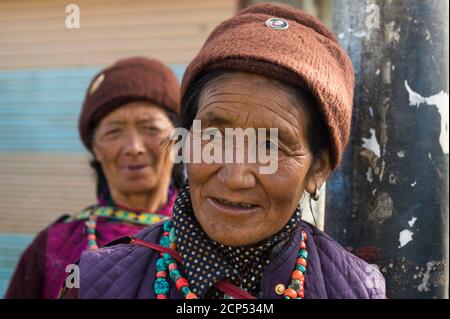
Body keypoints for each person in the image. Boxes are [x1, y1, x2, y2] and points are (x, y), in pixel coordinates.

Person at [70, 4, 386, 299]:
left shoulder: (357, 288)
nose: (235, 177)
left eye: (269, 145)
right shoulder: (95, 281)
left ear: (318, 168)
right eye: (215, 137)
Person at [6, 57, 183, 298]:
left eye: (150, 128)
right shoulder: (55, 244)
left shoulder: (205, 235)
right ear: (95, 148)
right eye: (114, 131)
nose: (134, 147)